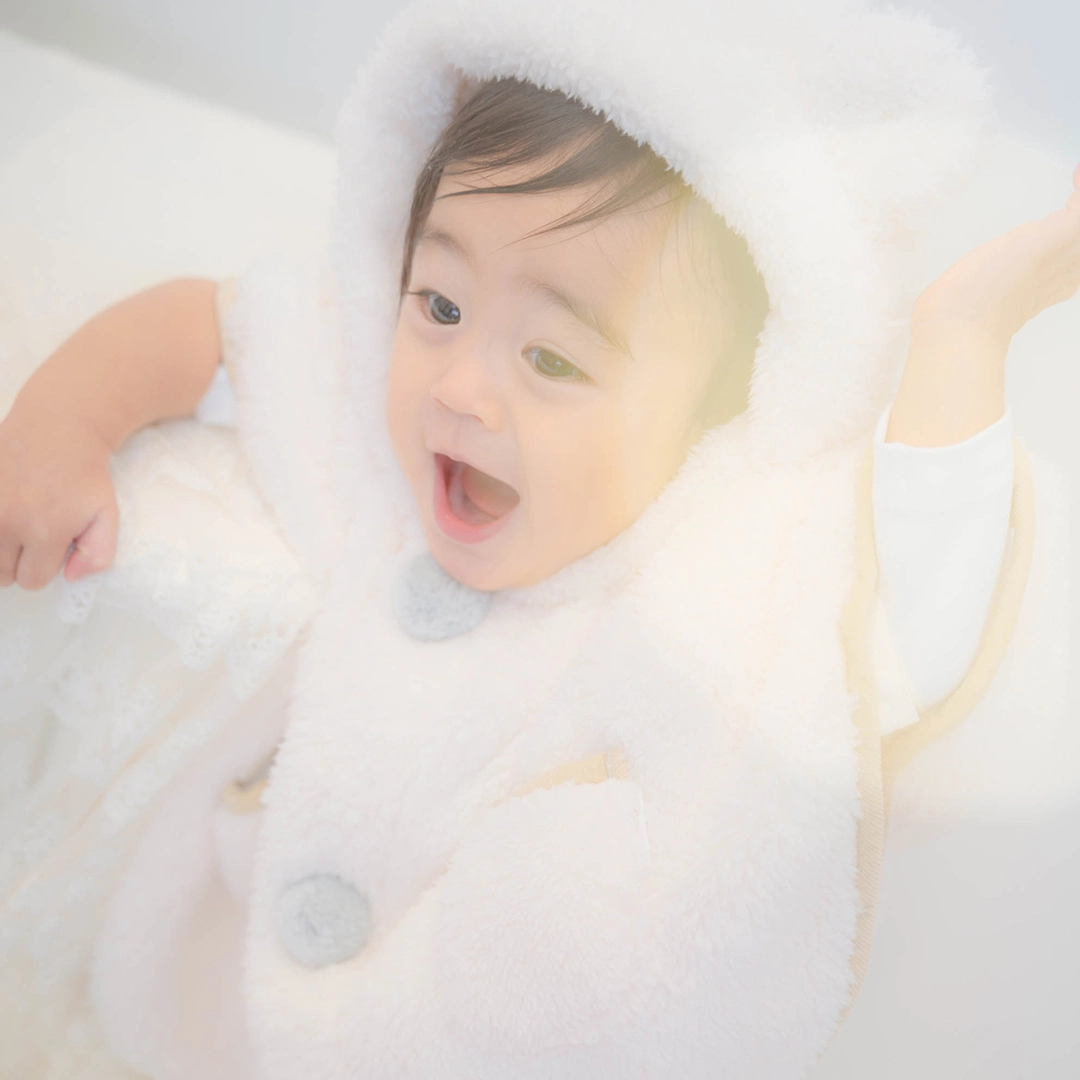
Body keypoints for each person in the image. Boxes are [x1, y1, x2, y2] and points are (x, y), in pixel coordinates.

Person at [0, 0, 1077, 1076]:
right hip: (212, 1007)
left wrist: (965, 329)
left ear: (716, 407)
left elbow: (905, 628)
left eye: (553, 360)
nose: (460, 388)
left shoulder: (719, 566)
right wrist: (63, 425)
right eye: (441, 305)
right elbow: (222, 324)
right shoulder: (372, 398)